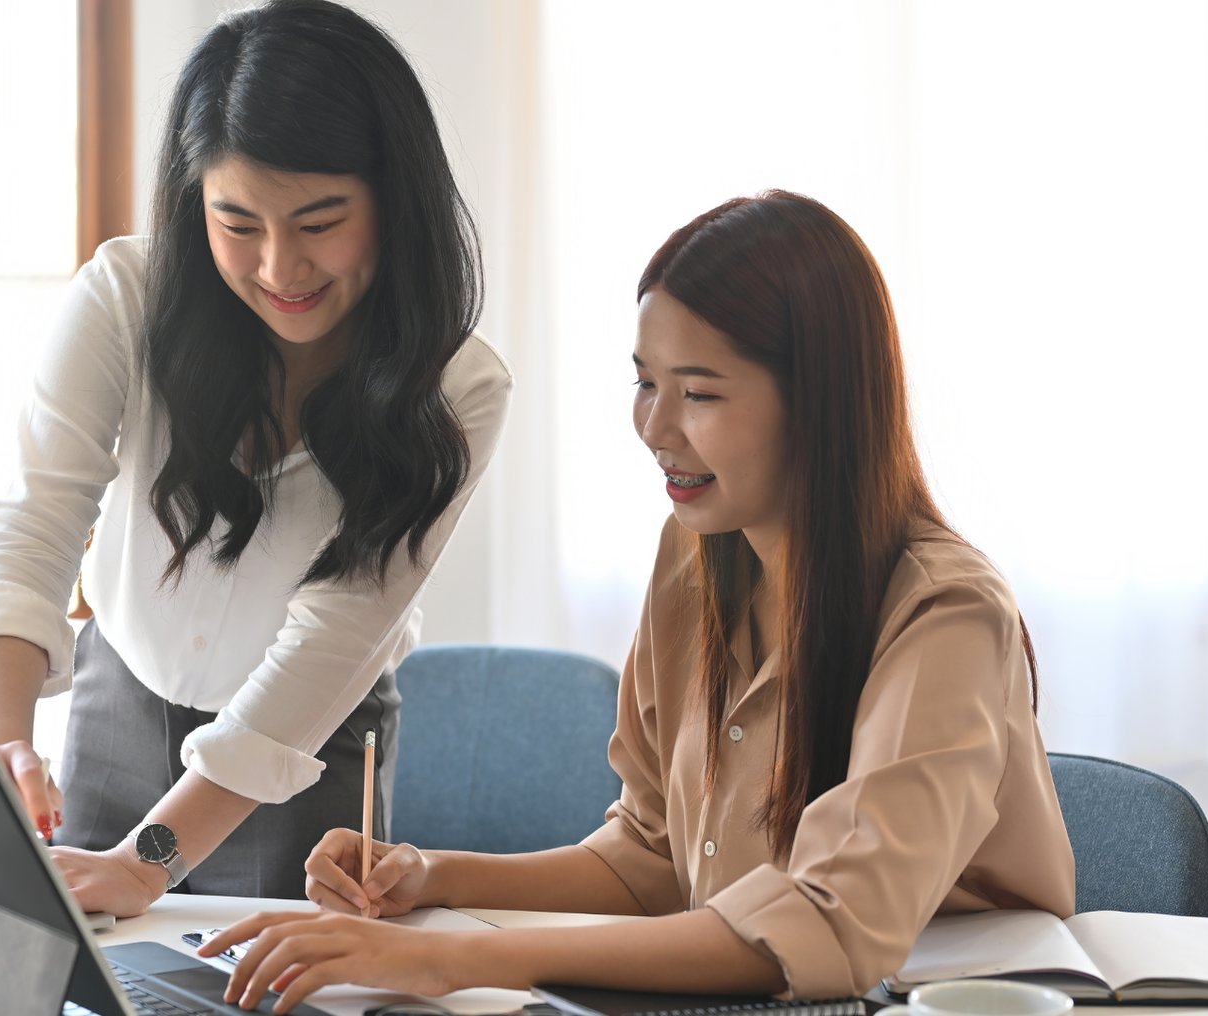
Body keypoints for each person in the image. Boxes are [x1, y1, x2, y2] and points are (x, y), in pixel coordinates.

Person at [199, 191, 1076, 1008]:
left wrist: (455, 959)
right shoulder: (696, 556)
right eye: (644, 383)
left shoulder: (946, 614)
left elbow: (834, 925)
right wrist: (432, 876)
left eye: (696, 393)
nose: (654, 429)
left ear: (821, 404)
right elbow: (654, 858)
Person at [0, 0, 510, 917]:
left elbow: (333, 641)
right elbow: (32, 524)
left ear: (395, 203)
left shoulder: (456, 390)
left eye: (320, 221)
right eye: (238, 223)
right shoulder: (127, 298)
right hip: (119, 692)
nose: (281, 266)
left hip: (307, 738)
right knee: (85, 971)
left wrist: (149, 859)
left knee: (273, 983)